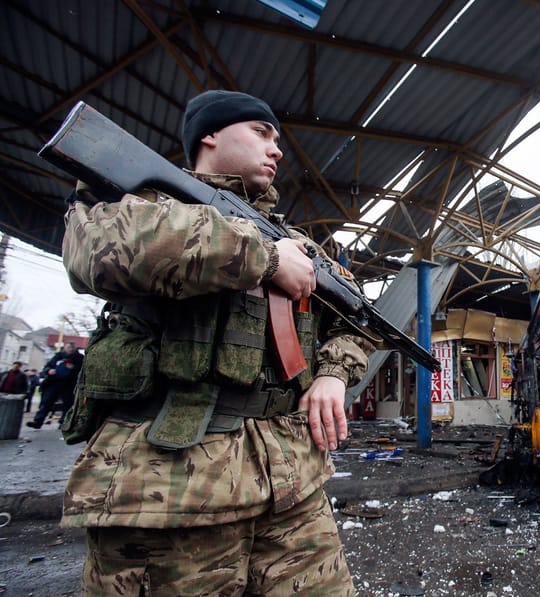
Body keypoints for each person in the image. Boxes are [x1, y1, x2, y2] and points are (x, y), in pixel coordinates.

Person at [59, 90, 374, 595]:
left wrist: (334, 376)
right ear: (209, 134)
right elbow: (101, 251)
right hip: (168, 491)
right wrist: (266, 258)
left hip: (293, 488)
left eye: (277, 140)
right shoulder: (136, 197)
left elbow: (359, 316)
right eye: (261, 133)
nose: (277, 151)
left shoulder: (297, 241)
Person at [25, 342, 83, 428]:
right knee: (46, 402)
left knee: (68, 404)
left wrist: (74, 368)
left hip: (69, 384)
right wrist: (49, 371)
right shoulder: (58, 356)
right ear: (65, 348)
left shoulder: (79, 358)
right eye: (68, 347)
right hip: (54, 382)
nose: (70, 349)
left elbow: (82, 371)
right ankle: (38, 421)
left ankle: (64, 422)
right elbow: (47, 367)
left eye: (72, 348)